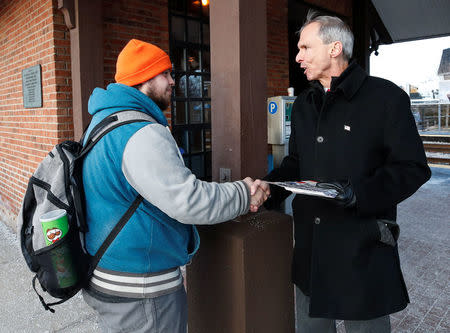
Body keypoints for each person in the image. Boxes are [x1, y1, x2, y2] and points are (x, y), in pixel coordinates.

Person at [81, 39, 269, 333]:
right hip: (140, 290)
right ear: (144, 78)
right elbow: (189, 201)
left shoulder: (103, 121)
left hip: (109, 274)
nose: (173, 81)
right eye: (165, 73)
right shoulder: (141, 132)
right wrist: (244, 193)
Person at [264, 10, 431, 333]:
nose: (297, 57)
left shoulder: (385, 98)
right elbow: (295, 165)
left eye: (304, 48)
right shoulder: (303, 105)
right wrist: (267, 189)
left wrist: (358, 193)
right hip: (311, 253)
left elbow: (412, 168)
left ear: (334, 48)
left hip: (362, 247)